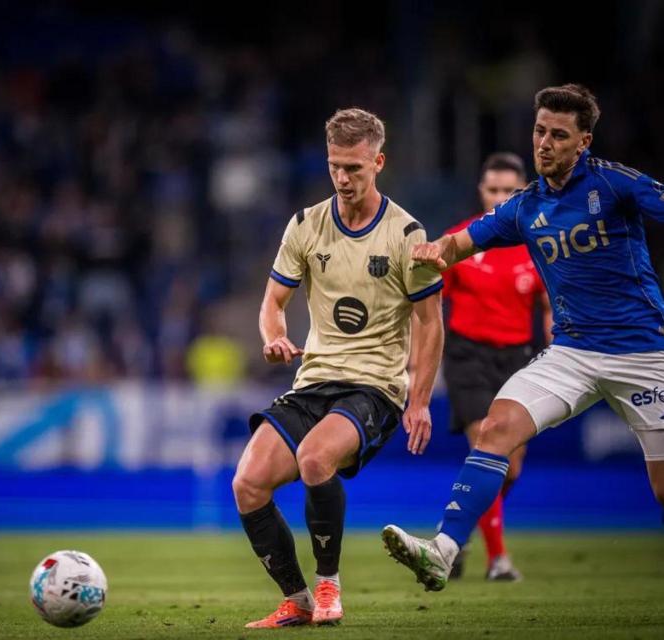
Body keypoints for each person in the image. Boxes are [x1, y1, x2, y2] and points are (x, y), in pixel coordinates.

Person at [381, 83, 664, 592]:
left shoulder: (616, 184)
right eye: (539, 131)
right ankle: (442, 553)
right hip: (573, 353)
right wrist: (432, 251)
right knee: (494, 430)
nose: (545, 143)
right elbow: (461, 243)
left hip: (643, 351)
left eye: (559, 134)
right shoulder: (525, 206)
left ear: (584, 142)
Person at [232, 108, 444, 628]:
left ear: (379, 161)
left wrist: (418, 400)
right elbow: (272, 302)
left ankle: (329, 588)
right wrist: (273, 337)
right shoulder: (306, 225)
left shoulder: (406, 234)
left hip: (374, 388)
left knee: (314, 460)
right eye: (335, 167)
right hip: (314, 381)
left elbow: (430, 323)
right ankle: (297, 599)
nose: (344, 179)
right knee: (247, 483)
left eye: (355, 168)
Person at [441, 152, 552, 581]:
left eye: (509, 191)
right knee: (490, 452)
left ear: (522, 192)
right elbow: (429, 305)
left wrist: (555, 335)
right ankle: (498, 561)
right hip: (467, 357)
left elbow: (548, 304)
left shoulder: (540, 242)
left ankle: (459, 529)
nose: (500, 197)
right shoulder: (459, 240)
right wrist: (418, 364)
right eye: (493, 190)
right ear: (481, 191)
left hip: (519, 359)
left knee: (514, 465)